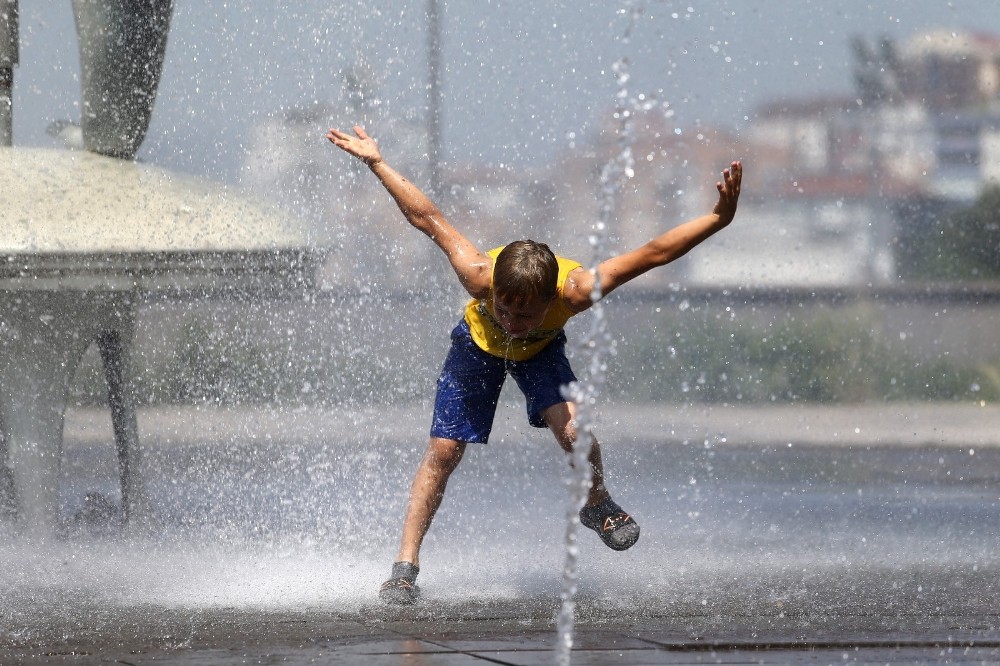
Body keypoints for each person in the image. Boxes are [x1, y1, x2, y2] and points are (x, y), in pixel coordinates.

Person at [325, 125, 742, 604]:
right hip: (475, 348)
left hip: (542, 354)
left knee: (574, 432)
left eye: (526, 314)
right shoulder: (479, 275)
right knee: (443, 450)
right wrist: (377, 162)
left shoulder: (578, 290)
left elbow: (654, 253)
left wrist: (717, 219)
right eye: (505, 309)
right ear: (494, 292)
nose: (514, 321)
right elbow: (426, 217)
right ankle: (404, 567)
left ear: (552, 300)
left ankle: (597, 503)